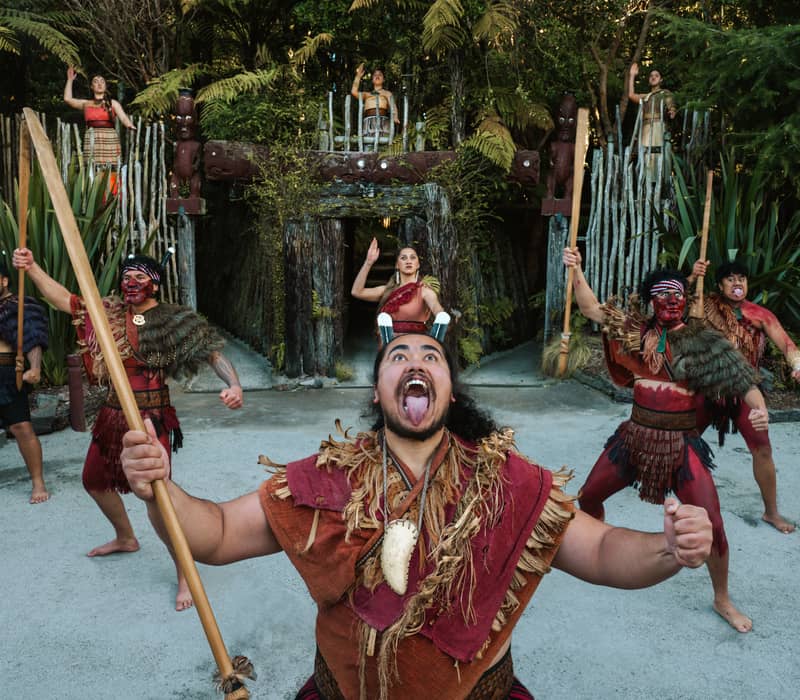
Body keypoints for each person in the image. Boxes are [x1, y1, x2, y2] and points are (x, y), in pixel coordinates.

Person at [120, 327, 712, 699]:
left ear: (449, 391)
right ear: (379, 391)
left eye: (431, 355)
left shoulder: (510, 480)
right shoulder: (329, 476)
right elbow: (216, 535)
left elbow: (604, 552)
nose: (414, 362)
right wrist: (159, 490)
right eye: (397, 356)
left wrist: (670, 549)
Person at [12, 247, 243, 611]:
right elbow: (64, 299)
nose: (130, 282)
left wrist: (234, 384)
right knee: (93, 480)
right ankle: (125, 537)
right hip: (111, 416)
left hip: (151, 419)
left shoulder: (173, 319)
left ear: (155, 283)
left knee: (160, 500)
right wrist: (34, 267)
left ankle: (185, 573)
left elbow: (212, 353)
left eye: (140, 276)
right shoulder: (108, 314)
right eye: (127, 276)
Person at [563, 247, 769, 634]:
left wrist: (759, 408)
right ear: (651, 301)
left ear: (684, 299)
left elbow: (744, 381)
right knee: (587, 497)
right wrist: (576, 272)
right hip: (633, 439)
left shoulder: (703, 341)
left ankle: (722, 597)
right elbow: (592, 310)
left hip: (680, 446)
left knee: (714, 525)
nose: (671, 300)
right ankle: (594, 551)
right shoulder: (634, 333)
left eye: (677, 294)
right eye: (662, 294)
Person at [691, 258, 797, 534]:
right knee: (681, 439)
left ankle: (771, 512)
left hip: (746, 392)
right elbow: (676, 307)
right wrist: (693, 277)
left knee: (762, 448)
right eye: (730, 278)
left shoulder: (760, 314)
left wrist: (797, 364)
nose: (737, 283)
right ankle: (677, 491)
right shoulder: (705, 306)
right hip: (709, 386)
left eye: (742, 278)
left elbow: (787, 345)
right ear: (719, 284)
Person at [0, 258, 49, 503]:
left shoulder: (18, 306)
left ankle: (38, 482)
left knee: (21, 427)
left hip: (6, 373)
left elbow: (32, 337)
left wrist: (35, 367)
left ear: (4, 280)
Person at [351, 237, 444, 334]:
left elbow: (436, 308)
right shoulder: (387, 290)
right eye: (403, 258)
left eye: (412, 257)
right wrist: (368, 262)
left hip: (416, 343)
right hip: (391, 344)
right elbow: (357, 292)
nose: (408, 261)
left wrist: (441, 316)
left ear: (418, 265)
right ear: (397, 265)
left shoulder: (425, 291)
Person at [64, 66, 136, 169]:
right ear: (92, 87)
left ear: (105, 86)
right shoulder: (86, 104)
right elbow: (67, 99)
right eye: (96, 82)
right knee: (92, 168)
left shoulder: (113, 103)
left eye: (102, 81)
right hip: (92, 138)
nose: (99, 84)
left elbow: (123, 118)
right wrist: (70, 80)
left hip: (109, 139)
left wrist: (130, 125)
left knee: (111, 169)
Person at [351, 63, 400, 139]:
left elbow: (393, 105)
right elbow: (354, 91)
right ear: (372, 79)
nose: (377, 76)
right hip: (368, 123)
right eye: (375, 75)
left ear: (383, 79)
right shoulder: (366, 95)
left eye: (380, 75)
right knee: (368, 145)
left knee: (383, 144)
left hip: (383, 122)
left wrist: (395, 116)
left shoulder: (387, 93)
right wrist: (358, 76)